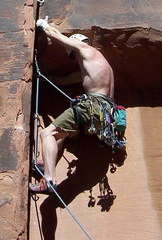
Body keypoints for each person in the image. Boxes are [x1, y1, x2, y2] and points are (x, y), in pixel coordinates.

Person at [30, 18, 117, 194]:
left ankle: (48, 180)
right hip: (105, 115)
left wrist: (43, 25)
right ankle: (44, 161)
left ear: (78, 44)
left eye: (73, 52)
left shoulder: (85, 48)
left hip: (91, 106)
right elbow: (68, 79)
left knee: (47, 134)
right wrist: (44, 78)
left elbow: (55, 35)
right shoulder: (102, 66)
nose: (73, 57)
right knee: (61, 134)